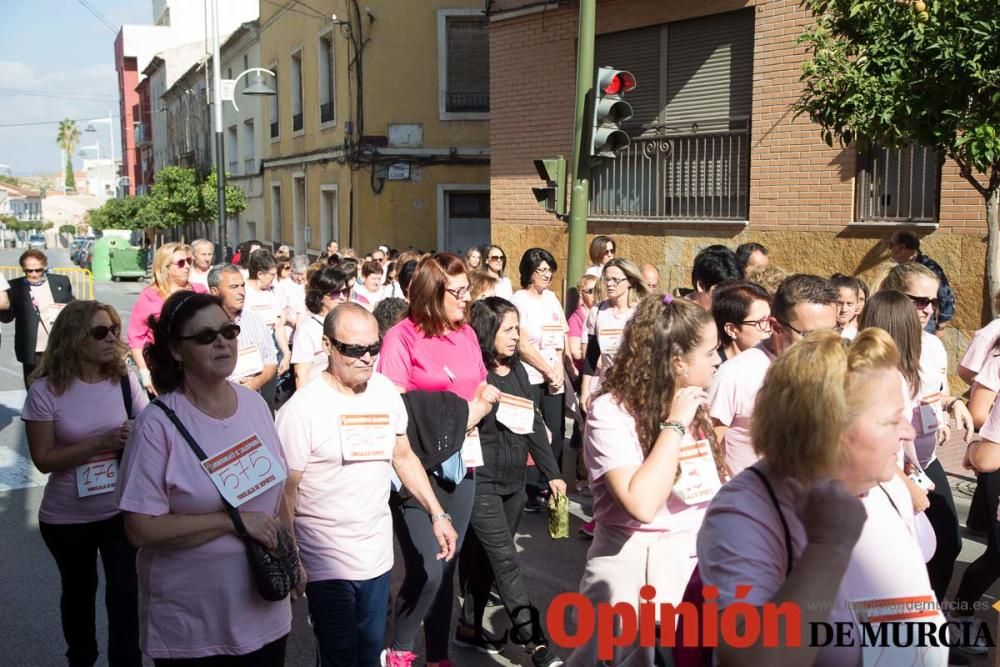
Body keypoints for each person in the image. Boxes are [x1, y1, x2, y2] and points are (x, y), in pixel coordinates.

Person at [697, 329, 946, 667]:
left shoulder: (886, 484)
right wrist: (829, 546)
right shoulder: (746, 510)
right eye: (891, 420)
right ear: (829, 429)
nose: (908, 431)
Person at [276, 304, 458, 667]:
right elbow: (285, 492)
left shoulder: (385, 392)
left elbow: (403, 456)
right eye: (354, 350)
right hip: (326, 561)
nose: (367, 358)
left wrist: (438, 513)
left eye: (374, 347)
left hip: (376, 558)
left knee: (370, 651)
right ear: (327, 345)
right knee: (340, 655)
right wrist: (291, 556)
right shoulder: (301, 410)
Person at [116, 292, 291, 665]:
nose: (223, 342)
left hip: (266, 610)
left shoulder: (255, 404)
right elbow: (139, 529)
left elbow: (278, 494)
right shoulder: (156, 425)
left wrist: (295, 555)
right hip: (194, 627)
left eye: (228, 331)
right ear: (177, 351)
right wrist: (235, 521)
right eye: (206, 336)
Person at [568, 296, 725, 666]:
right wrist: (674, 424)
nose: (718, 360)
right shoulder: (612, 411)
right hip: (632, 571)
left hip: (691, 567)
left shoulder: (692, 401)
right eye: (711, 352)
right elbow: (641, 504)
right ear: (677, 362)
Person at [378, 253, 490, 667]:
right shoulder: (401, 338)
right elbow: (393, 407)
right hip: (415, 466)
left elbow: (481, 385)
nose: (466, 300)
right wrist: (466, 412)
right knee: (427, 566)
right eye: (457, 292)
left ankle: (438, 656)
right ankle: (400, 650)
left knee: (448, 562)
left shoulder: (466, 335)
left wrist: (480, 402)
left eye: (468, 291)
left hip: (462, 465)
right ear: (431, 293)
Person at [23, 300, 146, 667]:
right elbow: (43, 460)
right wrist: (100, 443)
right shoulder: (46, 391)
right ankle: (82, 657)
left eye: (113, 330)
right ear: (75, 338)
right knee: (79, 592)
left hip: (119, 510)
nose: (110, 337)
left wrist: (134, 434)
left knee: (125, 593)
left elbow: (146, 428)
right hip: (67, 517)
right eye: (99, 332)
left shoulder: (123, 379)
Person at [457, 297, 566, 667]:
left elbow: (534, 421)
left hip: (515, 481)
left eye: (518, 329)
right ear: (488, 332)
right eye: (509, 329)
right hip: (480, 480)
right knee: (506, 559)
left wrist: (553, 475)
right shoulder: (471, 371)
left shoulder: (517, 369)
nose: (516, 337)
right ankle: (533, 642)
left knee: (484, 559)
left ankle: (470, 626)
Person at [874, 263, 975, 608]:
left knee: (948, 543)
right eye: (918, 300)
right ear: (894, 296)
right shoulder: (873, 349)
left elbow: (934, 394)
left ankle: (929, 622)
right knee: (897, 553)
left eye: (932, 301)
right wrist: (903, 481)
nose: (928, 309)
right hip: (887, 467)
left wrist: (951, 406)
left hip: (923, 460)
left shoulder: (933, 346)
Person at [708, 274, 838, 476]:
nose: (825, 344)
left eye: (832, 332)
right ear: (776, 327)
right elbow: (708, 447)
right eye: (811, 336)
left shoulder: (840, 368)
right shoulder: (734, 375)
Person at [511, 248, 569, 513]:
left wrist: (557, 370)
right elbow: (522, 344)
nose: (546, 275)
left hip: (552, 376)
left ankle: (551, 483)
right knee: (534, 431)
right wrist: (546, 369)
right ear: (529, 273)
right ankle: (531, 489)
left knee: (556, 431)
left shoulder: (552, 299)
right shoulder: (520, 300)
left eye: (549, 270)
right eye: (541, 270)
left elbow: (559, 339)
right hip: (531, 375)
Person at [127, 242, 208, 395]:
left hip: (197, 367)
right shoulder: (149, 295)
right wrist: (145, 373)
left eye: (189, 261)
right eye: (181, 263)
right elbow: (136, 338)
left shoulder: (200, 291)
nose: (187, 266)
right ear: (165, 267)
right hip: (163, 370)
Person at [0, 249, 75, 386]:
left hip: (58, 347)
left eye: (38, 270)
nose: (34, 274)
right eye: (29, 271)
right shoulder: (15, 287)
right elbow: (7, 317)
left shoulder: (60, 282)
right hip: (32, 350)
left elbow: (72, 309)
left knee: (61, 387)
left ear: (45, 266)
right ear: (23, 269)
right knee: (34, 389)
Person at [208, 265, 278, 394]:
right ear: (214, 292)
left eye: (242, 286)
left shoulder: (256, 321)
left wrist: (253, 384)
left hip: (250, 402)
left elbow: (271, 362)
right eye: (234, 287)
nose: (241, 292)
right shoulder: (203, 325)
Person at [292, 266, 351, 389]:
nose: (342, 297)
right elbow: (301, 375)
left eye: (345, 292)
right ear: (321, 297)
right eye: (335, 293)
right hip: (318, 397)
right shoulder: (307, 329)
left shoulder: (350, 323)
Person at [888, 230, 955, 334]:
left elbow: (945, 295)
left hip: (923, 325)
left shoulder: (929, 268)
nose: (890, 249)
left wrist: (941, 326)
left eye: (891, 245)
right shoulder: (896, 267)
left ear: (902, 248)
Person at [567, 274, 597, 495]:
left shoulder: (601, 313)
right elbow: (578, 351)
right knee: (583, 427)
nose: (593, 295)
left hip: (599, 374)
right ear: (582, 294)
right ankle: (582, 475)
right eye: (589, 291)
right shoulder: (577, 318)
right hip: (584, 373)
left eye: (596, 289)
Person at [244, 250, 292, 388]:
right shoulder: (243, 292)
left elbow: (279, 326)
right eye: (272, 275)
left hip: (270, 358)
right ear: (260, 274)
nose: (274, 279)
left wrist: (286, 354)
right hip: (249, 359)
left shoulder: (273, 292)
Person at [711, 281, 772, 363]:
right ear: (731, 330)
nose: (770, 328)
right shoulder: (716, 371)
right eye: (761, 322)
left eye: (770, 319)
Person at [690, 245, 742, 310]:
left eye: (734, 294)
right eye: (721, 294)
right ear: (701, 286)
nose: (728, 302)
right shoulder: (677, 317)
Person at [831, 273, 862, 339]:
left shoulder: (857, 336)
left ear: (856, 304)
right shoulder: (822, 331)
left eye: (849, 304)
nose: (844, 309)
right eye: (839, 303)